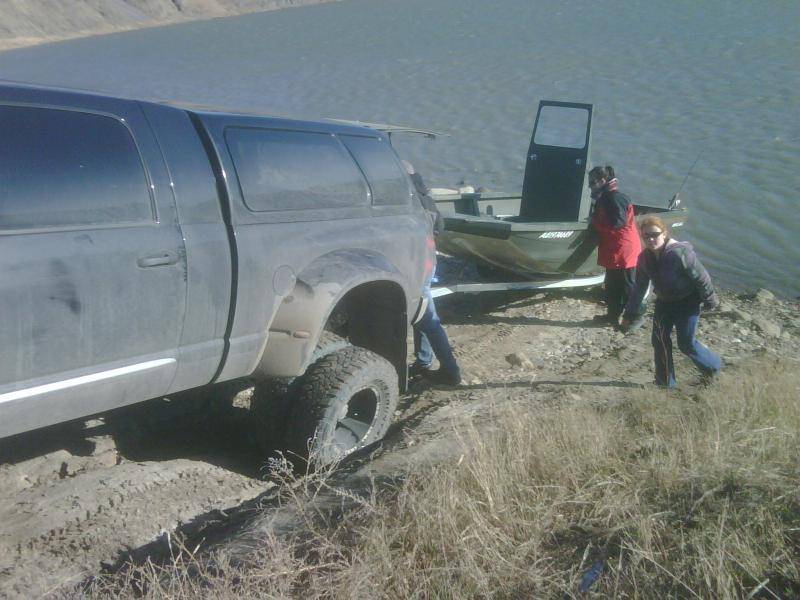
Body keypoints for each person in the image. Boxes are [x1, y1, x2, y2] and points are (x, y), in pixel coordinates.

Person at [621, 216, 722, 388]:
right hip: (664, 303)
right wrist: (629, 313)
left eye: (655, 234)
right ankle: (665, 383)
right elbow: (639, 288)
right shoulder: (645, 258)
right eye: (646, 236)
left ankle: (714, 368)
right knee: (659, 341)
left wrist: (710, 300)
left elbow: (702, 278)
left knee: (686, 343)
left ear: (664, 233)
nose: (651, 239)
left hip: (687, 303)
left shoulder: (680, 253)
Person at [403, 160, 461, 386]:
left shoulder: (407, 202)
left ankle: (451, 371)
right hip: (428, 263)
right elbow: (440, 226)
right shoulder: (425, 200)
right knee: (424, 315)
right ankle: (424, 361)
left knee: (428, 319)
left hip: (417, 266)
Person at [588, 165, 645, 328]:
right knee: (612, 285)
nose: (590, 186)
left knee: (627, 286)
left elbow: (618, 223)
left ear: (603, 181)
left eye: (592, 183)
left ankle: (635, 317)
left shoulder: (614, 198)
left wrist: (594, 222)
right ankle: (612, 316)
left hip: (624, 249)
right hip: (615, 248)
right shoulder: (607, 197)